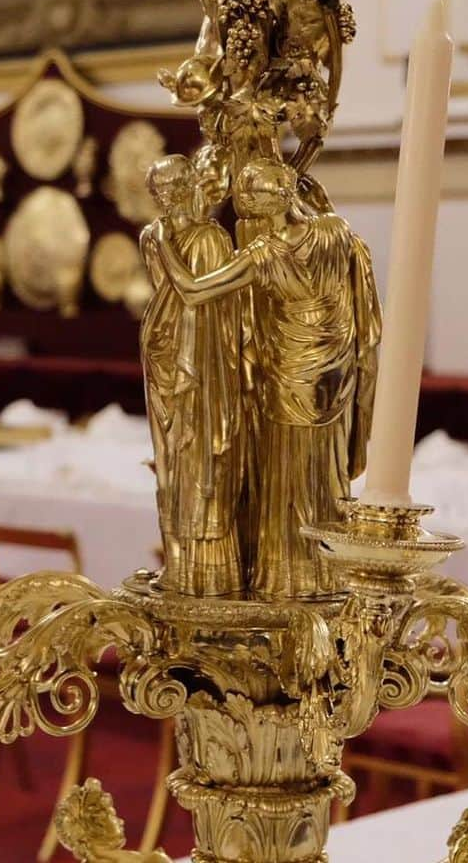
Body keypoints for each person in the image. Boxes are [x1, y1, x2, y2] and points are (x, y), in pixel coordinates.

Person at [154, 159, 379, 599]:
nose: (242, 204)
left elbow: (196, 291)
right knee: (326, 475)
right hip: (335, 372)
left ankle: (289, 577)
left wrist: (163, 242)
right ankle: (323, 571)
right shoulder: (335, 230)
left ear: (266, 199)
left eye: (248, 196)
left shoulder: (265, 252)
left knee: (290, 473)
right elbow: (360, 298)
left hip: (290, 376)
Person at [140, 147, 244, 597]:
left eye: (175, 186)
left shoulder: (210, 240)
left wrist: (166, 244)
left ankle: (212, 577)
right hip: (164, 359)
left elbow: (197, 297)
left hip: (203, 366)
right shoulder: (150, 237)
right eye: (160, 189)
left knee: (202, 462)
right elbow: (164, 298)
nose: (168, 197)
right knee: (169, 465)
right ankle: (179, 566)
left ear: (190, 188)